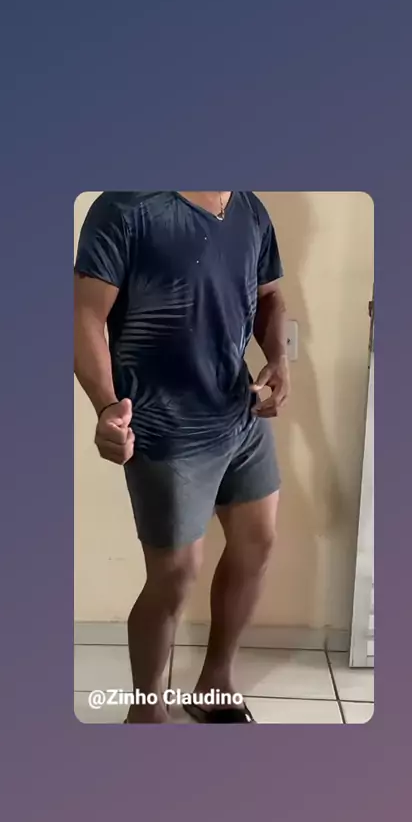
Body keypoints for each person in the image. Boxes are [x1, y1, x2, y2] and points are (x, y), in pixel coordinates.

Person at [74, 191, 290, 723]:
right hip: (163, 426)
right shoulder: (126, 206)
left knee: (257, 545)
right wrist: (106, 406)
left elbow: (269, 296)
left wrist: (280, 358)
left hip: (238, 412)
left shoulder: (250, 208)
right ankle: (146, 713)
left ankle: (215, 682)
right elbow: (84, 315)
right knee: (174, 576)